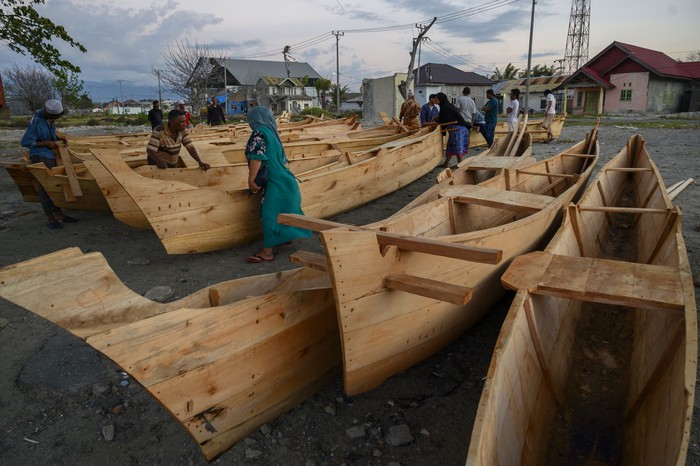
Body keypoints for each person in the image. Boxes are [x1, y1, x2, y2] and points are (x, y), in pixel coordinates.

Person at [244, 106, 312, 263]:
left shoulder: (259, 132)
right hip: (286, 179)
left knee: (269, 214)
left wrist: (251, 180)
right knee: (286, 210)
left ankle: (267, 252)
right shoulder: (272, 132)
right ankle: (284, 238)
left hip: (274, 180)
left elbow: (257, 157)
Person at [20, 99, 78, 229]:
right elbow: (25, 142)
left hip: (49, 155)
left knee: (54, 184)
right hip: (39, 156)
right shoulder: (36, 123)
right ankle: (50, 218)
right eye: (56, 117)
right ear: (49, 114)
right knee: (45, 186)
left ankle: (59, 214)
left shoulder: (48, 120)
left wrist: (58, 139)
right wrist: (45, 143)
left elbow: (49, 136)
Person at [434, 92, 471, 168]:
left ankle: (460, 164)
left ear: (441, 99)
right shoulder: (447, 106)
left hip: (457, 129)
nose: (435, 100)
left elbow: (443, 121)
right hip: (460, 128)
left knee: (457, 146)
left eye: (436, 98)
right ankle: (446, 163)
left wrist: (434, 122)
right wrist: (438, 118)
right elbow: (445, 117)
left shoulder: (445, 107)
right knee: (451, 146)